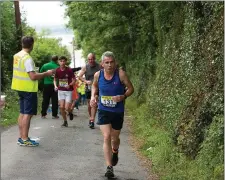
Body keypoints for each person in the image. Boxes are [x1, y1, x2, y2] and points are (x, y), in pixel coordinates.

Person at [90, 51, 134, 178]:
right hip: (103, 110)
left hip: (117, 111)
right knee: (106, 137)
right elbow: (94, 86)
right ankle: (109, 167)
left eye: (111, 62)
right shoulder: (98, 75)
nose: (109, 65)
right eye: (107, 62)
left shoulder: (120, 74)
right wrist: (93, 96)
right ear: (102, 64)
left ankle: (115, 151)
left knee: (115, 139)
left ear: (115, 63)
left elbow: (131, 89)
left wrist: (123, 96)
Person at [11, 36, 55, 146]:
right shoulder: (27, 58)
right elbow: (33, 76)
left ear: (22, 44)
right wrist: (47, 73)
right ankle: (25, 139)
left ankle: (21, 137)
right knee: (28, 114)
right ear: (32, 45)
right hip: (28, 89)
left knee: (22, 113)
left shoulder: (17, 56)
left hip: (19, 87)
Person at [78, 53, 101, 129]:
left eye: (92, 59)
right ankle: (91, 117)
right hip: (88, 87)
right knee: (89, 105)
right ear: (88, 60)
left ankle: (92, 120)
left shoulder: (99, 66)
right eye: (89, 59)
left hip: (97, 87)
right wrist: (86, 81)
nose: (91, 60)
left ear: (95, 58)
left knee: (94, 103)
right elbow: (79, 76)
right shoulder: (85, 67)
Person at [54, 56, 76, 127]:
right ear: (59, 62)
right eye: (61, 61)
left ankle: (70, 112)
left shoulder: (69, 70)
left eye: (64, 61)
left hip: (68, 91)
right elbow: (54, 79)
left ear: (66, 62)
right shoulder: (57, 70)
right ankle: (65, 121)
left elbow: (74, 80)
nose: (62, 63)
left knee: (66, 108)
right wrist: (55, 86)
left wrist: (69, 85)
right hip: (60, 90)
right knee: (61, 107)